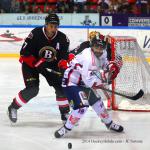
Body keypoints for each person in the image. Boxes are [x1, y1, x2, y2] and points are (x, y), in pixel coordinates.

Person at [54, 32, 124, 138]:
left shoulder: (103, 53)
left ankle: (109, 124)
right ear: (92, 46)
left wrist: (111, 68)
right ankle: (66, 128)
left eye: (101, 47)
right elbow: (89, 82)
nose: (99, 50)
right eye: (96, 47)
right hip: (72, 82)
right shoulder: (88, 58)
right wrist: (102, 80)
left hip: (83, 82)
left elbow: (105, 65)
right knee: (82, 106)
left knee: (98, 103)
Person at [7, 13, 70, 124]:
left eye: (56, 26)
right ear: (46, 25)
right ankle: (12, 107)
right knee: (33, 89)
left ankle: (65, 113)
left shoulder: (63, 38)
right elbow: (24, 53)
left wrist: (63, 66)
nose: (53, 29)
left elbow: (64, 57)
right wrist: (36, 63)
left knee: (61, 87)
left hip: (50, 66)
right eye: (51, 26)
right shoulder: (35, 33)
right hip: (31, 65)